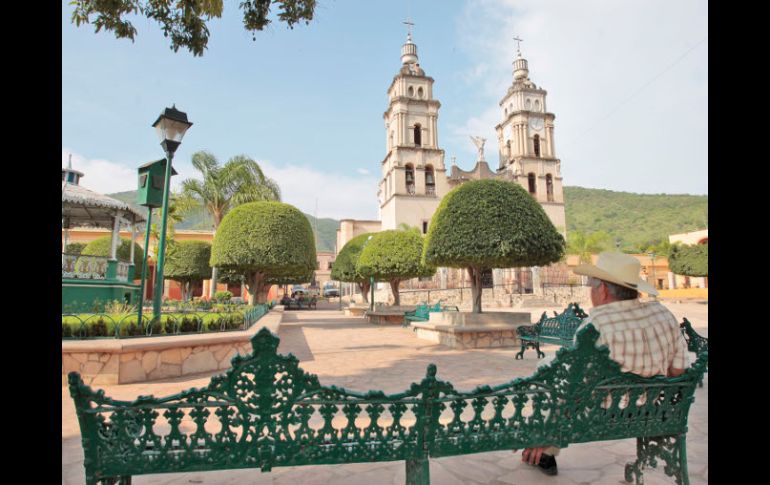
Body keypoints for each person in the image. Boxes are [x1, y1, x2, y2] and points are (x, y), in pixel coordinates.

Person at [518, 252, 690, 476]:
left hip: (603, 416)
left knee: (552, 381)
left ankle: (546, 450)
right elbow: (678, 371)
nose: (590, 290)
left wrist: (545, 431)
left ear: (604, 290)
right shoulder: (664, 314)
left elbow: (572, 389)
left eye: (591, 284)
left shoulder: (595, 325)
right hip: (652, 411)